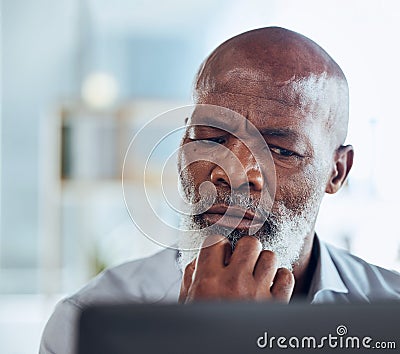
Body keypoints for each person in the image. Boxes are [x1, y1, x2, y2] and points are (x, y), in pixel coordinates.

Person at [40, 27, 400, 353]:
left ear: (337, 172)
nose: (234, 172)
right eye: (211, 138)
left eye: (281, 151)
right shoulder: (85, 325)